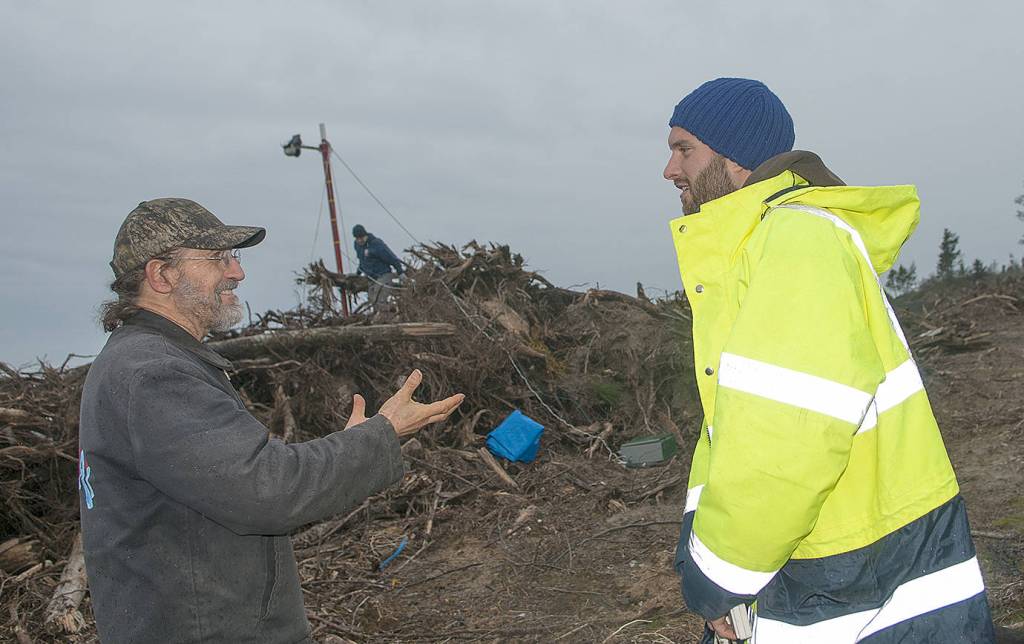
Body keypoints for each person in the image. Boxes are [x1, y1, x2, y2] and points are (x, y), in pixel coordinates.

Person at [663, 79, 994, 642]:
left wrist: (721, 576)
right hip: (820, 559)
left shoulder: (797, 241)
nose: (670, 169)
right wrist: (702, 547)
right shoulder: (763, 247)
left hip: (851, 577)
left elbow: (787, 437)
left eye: (684, 149)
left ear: (736, 155)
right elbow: (732, 427)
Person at [79, 198, 464, 643]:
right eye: (217, 258)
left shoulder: (145, 361)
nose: (237, 272)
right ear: (161, 275)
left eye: (233, 256)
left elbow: (244, 480)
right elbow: (267, 489)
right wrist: (382, 434)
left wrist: (355, 442)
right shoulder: (155, 375)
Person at [352, 224, 404, 310]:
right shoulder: (357, 246)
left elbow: (391, 257)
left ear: (365, 235)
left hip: (384, 275)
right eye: (357, 238)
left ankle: (395, 311)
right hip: (371, 278)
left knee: (380, 300)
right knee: (373, 301)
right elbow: (362, 261)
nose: (360, 240)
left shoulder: (376, 244)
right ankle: (390, 312)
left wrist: (400, 272)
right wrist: (358, 273)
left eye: (361, 237)